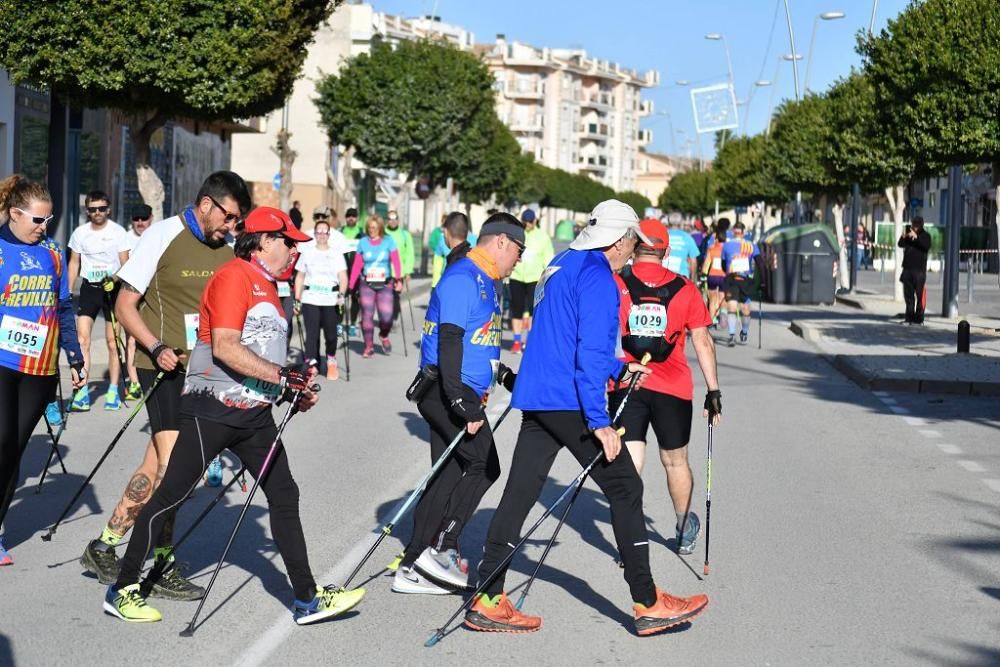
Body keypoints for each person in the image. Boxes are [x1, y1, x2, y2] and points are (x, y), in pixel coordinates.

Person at [103, 207, 366, 624]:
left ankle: (307, 598)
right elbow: (225, 346)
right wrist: (282, 377)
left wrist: (290, 388)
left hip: (254, 417)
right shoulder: (233, 277)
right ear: (262, 241)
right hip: (214, 410)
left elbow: (259, 355)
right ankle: (122, 589)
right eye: (287, 242)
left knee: (284, 494)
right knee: (171, 494)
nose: (293, 251)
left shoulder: (268, 286)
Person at [467, 199, 708, 637]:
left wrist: (620, 368)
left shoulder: (561, 263)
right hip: (568, 398)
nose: (634, 251)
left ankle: (487, 596)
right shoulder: (599, 277)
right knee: (625, 485)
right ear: (618, 239)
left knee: (521, 491)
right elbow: (588, 353)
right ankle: (648, 601)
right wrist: (599, 421)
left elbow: (565, 335)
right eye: (633, 242)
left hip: (538, 392)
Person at [79, 171, 250, 600]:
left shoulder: (228, 249)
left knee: (156, 465)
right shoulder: (162, 235)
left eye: (238, 222)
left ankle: (105, 545)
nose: (232, 227)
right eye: (229, 217)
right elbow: (123, 303)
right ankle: (161, 562)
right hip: (164, 367)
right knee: (179, 469)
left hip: (205, 372)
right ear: (207, 204)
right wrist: (155, 348)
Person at [392, 213, 524, 595]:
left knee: (448, 474)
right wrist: (461, 401)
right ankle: (443, 547)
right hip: (445, 390)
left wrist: (502, 376)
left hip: (459, 388)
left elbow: (480, 341)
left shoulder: (488, 281)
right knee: (485, 465)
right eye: (518, 250)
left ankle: (413, 564)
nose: (519, 258)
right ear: (500, 241)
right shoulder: (464, 277)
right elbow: (449, 343)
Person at [608, 218, 722, 559]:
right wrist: (713, 391)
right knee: (675, 461)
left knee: (630, 458)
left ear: (633, 245)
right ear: (666, 251)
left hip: (628, 380)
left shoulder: (615, 283)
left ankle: (628, 535)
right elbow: (702, 340)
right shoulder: (685, 289)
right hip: (673, 387)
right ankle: (684, 528)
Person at [0, 175, 86, 566]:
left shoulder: (52, 253)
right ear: (15, 214)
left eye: (48, 220)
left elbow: (64, 308)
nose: (43, 227)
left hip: (39, 366)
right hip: (1, 362)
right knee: (1, 443)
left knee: (14, 448)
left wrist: (75, 356)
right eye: (37, 220)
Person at [67, 190, 131, 411]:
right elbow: (74, 263)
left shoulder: (118, 232)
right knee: (82, 340)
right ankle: (82, 391)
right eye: (93, 209)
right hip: (89, 289)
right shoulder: (80, 233)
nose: (98, 213)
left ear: (108, 209)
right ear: (87, 210)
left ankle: (113, 390)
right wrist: (66, 290)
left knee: (113, 342)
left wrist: (114, 278)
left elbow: (126, 263)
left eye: (102, 208)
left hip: (112, 290)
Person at [294, 219, 348, 379]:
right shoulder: (307, 253)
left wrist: (342, 293)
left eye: (325, 232)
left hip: (331, 299)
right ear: (315, 234)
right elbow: (300, 277)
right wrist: (297, 298)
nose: (322, 235)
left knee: (331, 334)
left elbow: (343, 277)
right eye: (319, 232)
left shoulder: (336, 254)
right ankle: (312, 363)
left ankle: (331, 358)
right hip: (310, 298)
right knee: (312, 333)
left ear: (329, 234)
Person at [347, 214, 402, 358]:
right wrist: (351, 284)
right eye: (370, 227)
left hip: (385, 283)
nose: (372, 230)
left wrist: (399, 279)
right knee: (367, 315)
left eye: (375, 228)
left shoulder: (389, 241)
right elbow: (357, 264)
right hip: (366, 283)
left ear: (380, 228)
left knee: (387, 316)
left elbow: (396, 261)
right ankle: (369, 346)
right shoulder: (363, 242)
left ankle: (384, 335)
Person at [507, 208, 554, 354]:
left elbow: (549, 258)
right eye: (525, 221)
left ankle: (529, 341)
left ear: (535, 221)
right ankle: (516, 341)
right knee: (517, 310)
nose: (527, 224)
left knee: (534, 311)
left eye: (529, 222)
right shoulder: (517, 234)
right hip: (517, 277)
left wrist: (548, 278)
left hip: (535, 279)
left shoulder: (543, 237)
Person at [123, 204, 153, 402]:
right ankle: (134, 383)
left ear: (151, 218)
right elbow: (124, 265)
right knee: (132, 339)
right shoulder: (126, 238)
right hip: (131, 292)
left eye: (143, 218)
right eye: (136, 219)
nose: (140, 223)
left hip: (151, 293)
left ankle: (148, 377)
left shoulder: (156, 236)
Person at [721, 222, 761, 347]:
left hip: (739, 280)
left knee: (743, 309)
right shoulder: (730, 246)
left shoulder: (747, 246)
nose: (737, 233)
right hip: (736, 280)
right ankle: (732, 335)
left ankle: (744, 332)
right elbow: (760, 263)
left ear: (738, 232)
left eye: (737, 231)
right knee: (734, 308)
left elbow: (759, 263)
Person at [898, 216, 931, 325]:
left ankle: (919, 318)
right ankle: (909, 318)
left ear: (921, 224)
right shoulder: (909, 234)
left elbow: (926, 246)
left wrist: (916, 237)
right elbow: (900, 244)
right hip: (907, 269)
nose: (915, 226)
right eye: (913, 223)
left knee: (920, 295)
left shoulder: (925, 236)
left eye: (917, 224)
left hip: (919, 271)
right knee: (908, 296)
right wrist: (904, 236)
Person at [385, 209, 415, 326]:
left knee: (395, 296)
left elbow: (409, 254)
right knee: (385, 297)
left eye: (395, 219)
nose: (392, 222)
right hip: (384, 271)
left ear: (398, 220)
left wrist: (408, 271)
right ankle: (386, 317)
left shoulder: (405, 234)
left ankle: (394, 318)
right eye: (390, 219)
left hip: (399, 272)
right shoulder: (383, 233)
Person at [341, 208, 363, 336]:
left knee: (355, 299)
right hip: (342, 270)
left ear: (357, 218)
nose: (351, 218)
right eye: (348, 216)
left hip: (357, 271)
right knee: (340, 298)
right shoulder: (341, 232)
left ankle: (353, 324)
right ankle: (339, 323)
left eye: (353, 216)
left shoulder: (361, 233)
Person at [701, 228, 728, 327]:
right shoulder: (727, 248)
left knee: (712, 299)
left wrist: (703, 274)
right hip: (724, 276)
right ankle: (723, 313)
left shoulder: (712, 248)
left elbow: (707, 263)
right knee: (723, 298)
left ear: (717, 238)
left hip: (712, 275)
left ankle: (711, 320)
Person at [663, 215, 700, 280]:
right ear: (681, 222)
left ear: (668, 221)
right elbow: (693, 261)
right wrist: (693, 278)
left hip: (663, 276)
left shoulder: (663, 235)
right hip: (682, 277)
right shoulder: (687, 237)